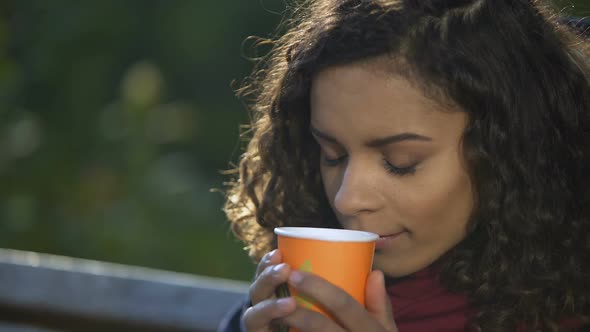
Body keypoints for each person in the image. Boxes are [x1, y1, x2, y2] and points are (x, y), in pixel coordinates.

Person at [219, 0, 590, 331]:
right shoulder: (294, 299)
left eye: (401, 164)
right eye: (332, 155)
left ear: (511, 150)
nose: (347, 200)